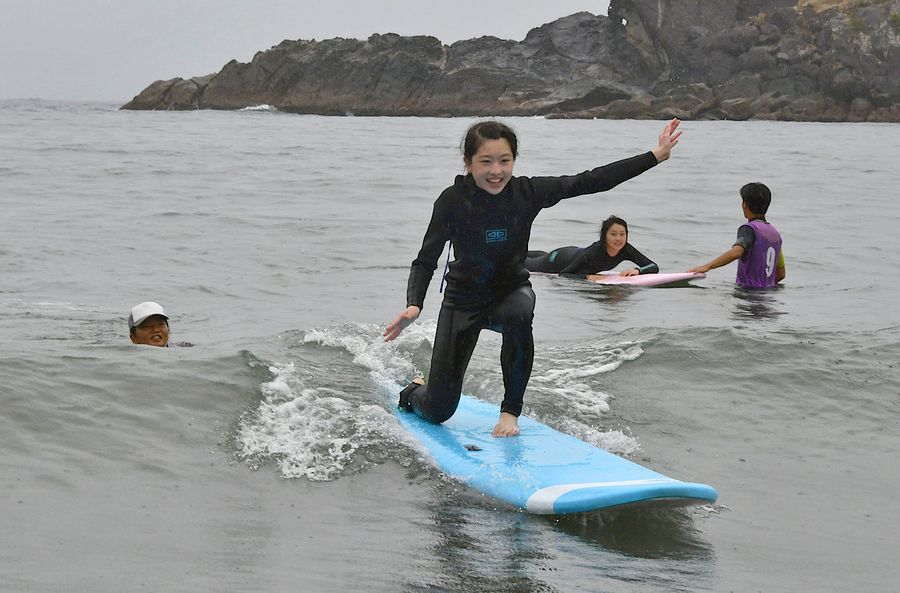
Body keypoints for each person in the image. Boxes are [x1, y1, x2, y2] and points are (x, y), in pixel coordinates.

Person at [383, 118, 682, 437]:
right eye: (486, 161)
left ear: (514, 160)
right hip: (461, 301)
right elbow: (426, 258)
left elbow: (590, 180)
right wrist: (413, 304)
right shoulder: (452, 201)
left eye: (505, 160)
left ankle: (510, 412)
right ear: (468, 162)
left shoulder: (527, 192)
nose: (496, 170)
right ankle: (414, 391)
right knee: (438, 411)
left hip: (510, 291)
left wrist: (656, 155)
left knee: (519, 312)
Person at [688, 182, 785, 288]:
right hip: (766, 298)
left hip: (747, 294)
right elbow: (781, 274)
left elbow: (736, 253)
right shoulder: (775, 234)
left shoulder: (749, 229)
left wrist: (707, 266)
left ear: (745, 205)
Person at [525, 215, 659, 279]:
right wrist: (587, 277)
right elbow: (565, 273)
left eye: (622, 234)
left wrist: (638, 270)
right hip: (555, 260)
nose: (618, 239)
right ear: (604, 237)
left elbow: (653, 266)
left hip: (571, 251)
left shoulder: (626, 249)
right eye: (613, 234)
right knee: (524, 261)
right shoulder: (596, 251)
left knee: (533, 255)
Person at [128, 301, 192, 347]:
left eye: (161, 324)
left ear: (168, 330)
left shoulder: (185, 348)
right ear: (133, 338)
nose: (156, 330)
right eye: (147, 326)